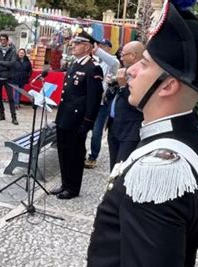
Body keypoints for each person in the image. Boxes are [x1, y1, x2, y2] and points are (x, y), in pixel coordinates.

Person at [85, 1, 198, 267]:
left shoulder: (159, 170)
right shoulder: (186, 140)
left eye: (146, 63)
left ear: (168, 85)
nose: (132, 70)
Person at [50, 29, 103, 200]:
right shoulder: (75, 64)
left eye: (77, 43)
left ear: (87, 47)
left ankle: (73, 187)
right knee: (63, 152)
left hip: (78, 119)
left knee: (75, 153)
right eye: (74, 43)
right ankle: (65, 183)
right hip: (65, 116)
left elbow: (93, 99)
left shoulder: (93, 68)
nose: (73, 46)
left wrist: (87, 123)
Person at [107, 41, 145, 170]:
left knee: (123, 169)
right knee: (114, 167)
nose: (121, 58)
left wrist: (123, 86)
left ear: (134, 55)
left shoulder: (144, 75)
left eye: (123, 55)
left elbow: (138, 103)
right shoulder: (125, 71)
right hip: (115, 125)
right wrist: (113, 87)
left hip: (130, 129)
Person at [84, 39, 120, 169]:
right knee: (83, 128)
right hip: (90, 101)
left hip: (102, 103)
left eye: (104, 46)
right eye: (99, 46)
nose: (100, 48)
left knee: (97, 132)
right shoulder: (95, 61)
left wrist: (98, 51)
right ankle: (81, 153)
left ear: (109, 49)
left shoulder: (113, 63)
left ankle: (93, 157)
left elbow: (114, 62)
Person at [0, 33, 18, 125]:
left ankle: (13, 116)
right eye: (1, 40)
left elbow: (12, 63)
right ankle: (1, 114)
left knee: (10, 98)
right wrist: (4, 65)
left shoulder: (12, 51)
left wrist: (0, 63)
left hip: (7, 78)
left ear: (7, 40)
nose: (3, 41)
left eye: (4, 39)